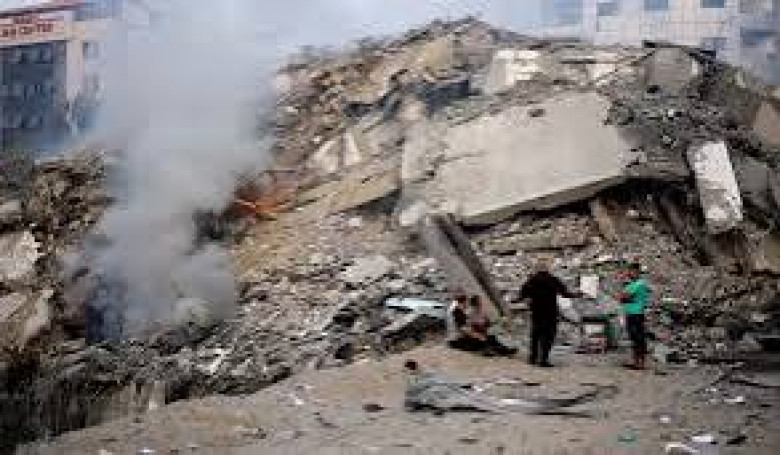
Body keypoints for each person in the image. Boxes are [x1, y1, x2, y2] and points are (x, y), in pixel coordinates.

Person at [520, 261, 583, 367]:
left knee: (535, 335)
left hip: (536, 312)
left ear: (537, 269)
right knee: (548, 336)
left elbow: (522, 294)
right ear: (547, 269)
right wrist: (577, 294)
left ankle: (533, 358)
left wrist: (520, 300)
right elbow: (565, 293)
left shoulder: (531, 280)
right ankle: (543, 360)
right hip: (550, 312)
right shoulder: (553, 279)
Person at [448, 294, 516, 356]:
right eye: (467, 302)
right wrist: (479, 336)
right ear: (463, 302)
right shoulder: (458, 313)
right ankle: (501, 351)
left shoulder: (458, 312)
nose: (468, 304)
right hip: (458, 340)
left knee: (490, 338)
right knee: (485, 339)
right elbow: (465, 329)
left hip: (459, 339)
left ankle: (503, 350)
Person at [616, 263, 651, 370]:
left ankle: (641, 362)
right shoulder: (632, 284)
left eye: (631, 271)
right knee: (634, 337)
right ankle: (636, 361)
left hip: (636, 313)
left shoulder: (639, 284)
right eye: (628, 271)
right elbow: (622, 297)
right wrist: (624, 297)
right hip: (630, 312)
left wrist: (624, 297)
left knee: (638, 338)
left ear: (636, 272)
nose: (629, 273)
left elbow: (624, 296)